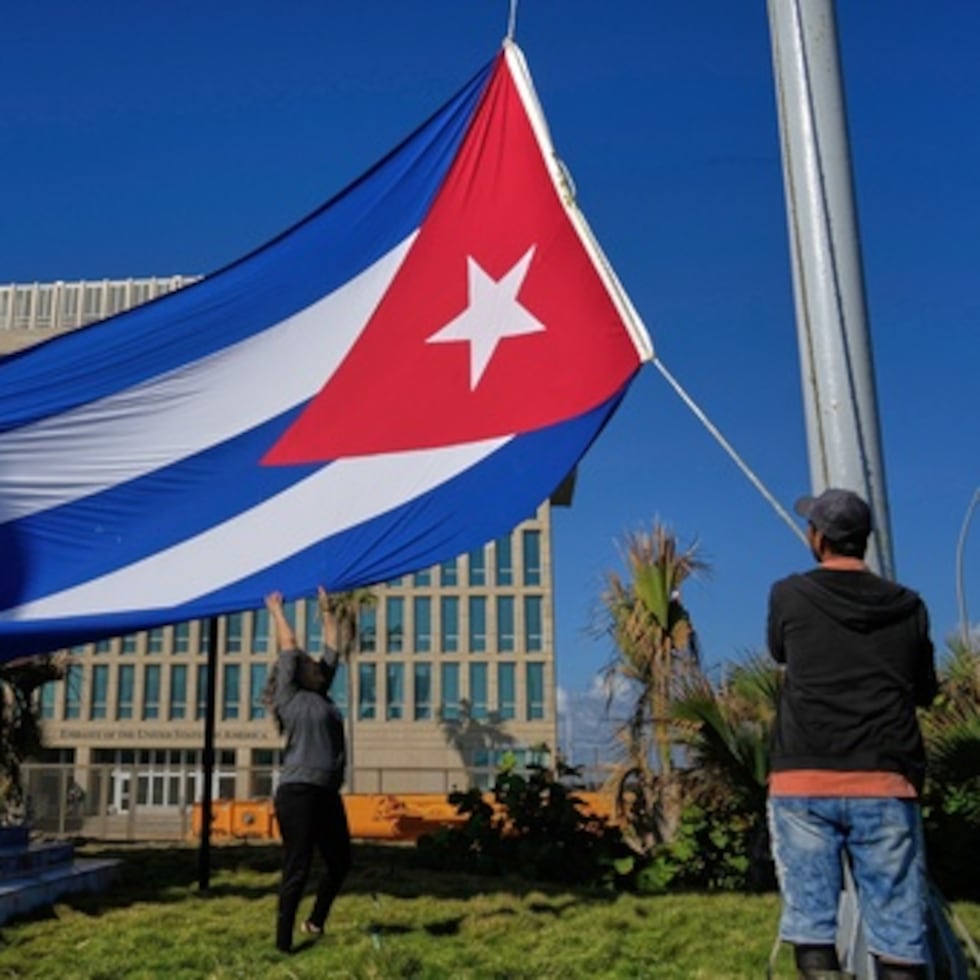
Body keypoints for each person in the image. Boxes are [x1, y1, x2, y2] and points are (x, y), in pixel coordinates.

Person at [766, 488, 938, 980]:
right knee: (901, 934)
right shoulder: (909, 606)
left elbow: (780, 650)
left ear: (817, 537)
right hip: (886, 778)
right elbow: (925, 690)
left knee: (813, 926)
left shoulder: (788, 594)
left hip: (803, 779)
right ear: (865, 539)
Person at [265, 587, 351, 953]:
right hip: (298, 792)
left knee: (340, 861)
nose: (318, 665)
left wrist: (326, 608)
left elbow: (332, 643)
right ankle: (283, 945)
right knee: (297, 867)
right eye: (309, 664)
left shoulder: (323, 691)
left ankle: (315, 921)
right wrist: (276, 610)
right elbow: (289, 644)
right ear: (297, 673)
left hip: (326, 793)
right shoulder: (289, 696)